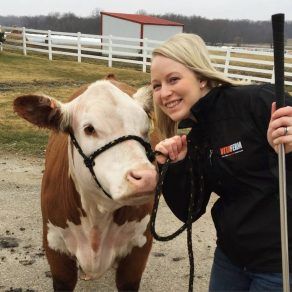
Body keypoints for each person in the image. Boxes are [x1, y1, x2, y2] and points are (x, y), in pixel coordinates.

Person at [151, 33, 292, 291]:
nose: (164, 93)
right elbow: (189, 211)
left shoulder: (258, 101)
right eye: (157, 85)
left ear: (201, 78)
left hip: (279, 266)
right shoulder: (196, 139)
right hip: (230, 260)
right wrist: (177, 166)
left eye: (173, 79)